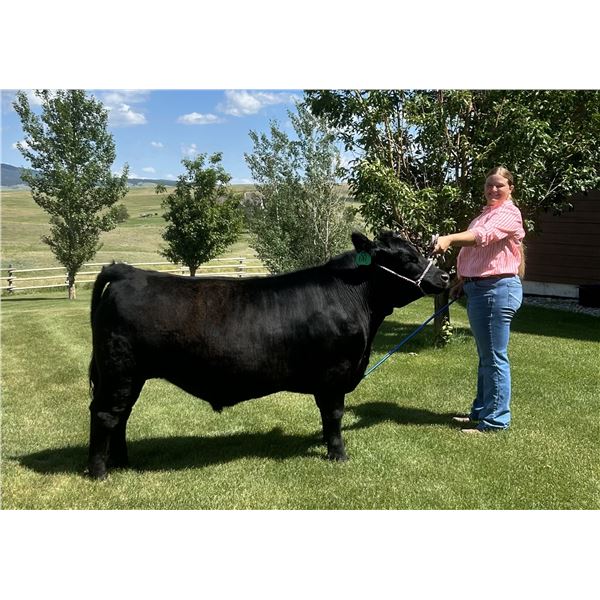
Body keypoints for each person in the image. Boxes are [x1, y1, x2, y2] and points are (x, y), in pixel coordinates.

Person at [434, 166, 525, 434]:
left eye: (499, 185)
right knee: (487, 356)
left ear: (510, 188)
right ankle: (481, 411)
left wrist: (449, 239)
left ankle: (495, 421)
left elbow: (482, 238)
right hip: (481, 288)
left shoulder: (509, 213)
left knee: (494, 357)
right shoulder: (485, 215)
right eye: (489, 185)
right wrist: (463, 281)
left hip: (496, 290)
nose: (493, 189)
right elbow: (478, 255)